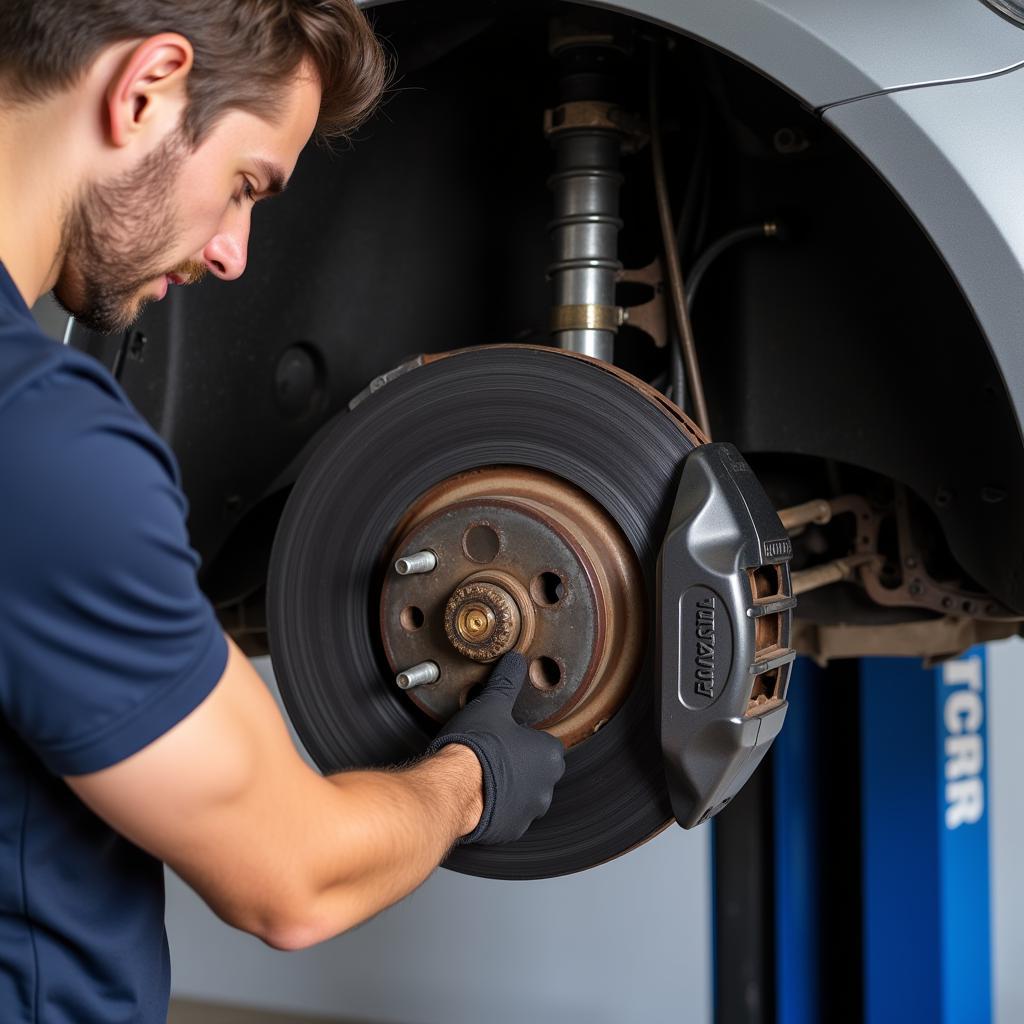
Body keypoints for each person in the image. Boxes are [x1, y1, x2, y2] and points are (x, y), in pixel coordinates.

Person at [0, 3, 566, 1021]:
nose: (232, 252)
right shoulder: (40, 446)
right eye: (245, 185)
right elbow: (290, 878)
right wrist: (473, 778)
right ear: (146, 89)